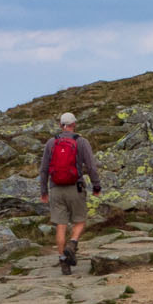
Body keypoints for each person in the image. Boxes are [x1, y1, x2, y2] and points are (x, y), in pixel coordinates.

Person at [40, 112, 102, 274]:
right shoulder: (81, 141)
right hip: (76, 187)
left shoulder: (51, 142)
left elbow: (44, 169)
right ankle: (72, 243)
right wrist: (96, 186)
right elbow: (91, 167)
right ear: (74, 124)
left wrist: (43, 191)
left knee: (60, 226)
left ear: (61, 125)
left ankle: (63, 263)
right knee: (80, 221)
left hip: (55, 189)